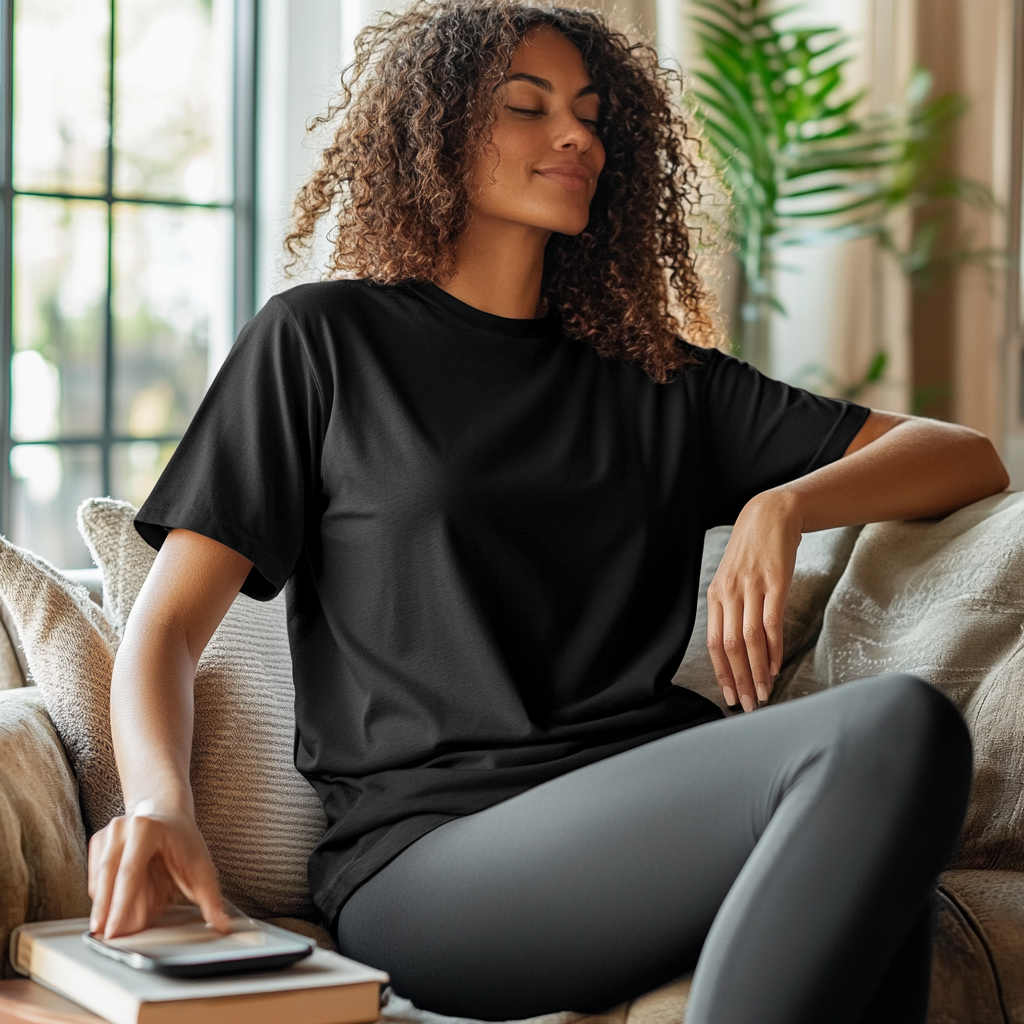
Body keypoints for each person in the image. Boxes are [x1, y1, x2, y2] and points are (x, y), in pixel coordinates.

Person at [86, 3, 1008, 1022]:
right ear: (434, 136)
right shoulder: (322, 343)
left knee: (891, 882)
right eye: (527, 107)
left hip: (643, 811)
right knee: (893, 734)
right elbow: (166, 629)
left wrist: (782, 507)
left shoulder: (657, 380)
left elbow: (961, 455)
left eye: (590, 113)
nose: (576, 136)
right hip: (432, 863)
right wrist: (160, 805)